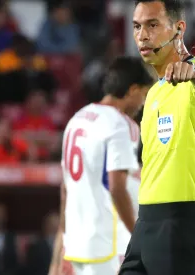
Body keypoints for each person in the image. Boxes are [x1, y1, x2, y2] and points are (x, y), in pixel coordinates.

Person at [119, 0, 195, 274]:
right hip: (146, 225)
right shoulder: (154, 93)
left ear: (179, 29)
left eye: (152, 25)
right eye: (137, 26)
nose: (142, 35)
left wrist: (192, 72)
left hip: (183, 225)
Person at [48, 56, 153, 275]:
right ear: (133, 90)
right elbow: (117, 187)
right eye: (144, 95)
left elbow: (66, 193)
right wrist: (139, 238)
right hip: (106, 251)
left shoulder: (76, 120)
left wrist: (58, 255)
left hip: (75, 249)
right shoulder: (122, 124)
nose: (143, 104)